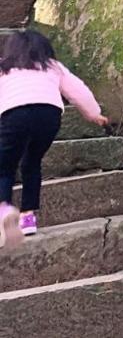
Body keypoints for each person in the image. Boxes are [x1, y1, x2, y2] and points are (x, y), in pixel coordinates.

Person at [0, 29, 108, 250]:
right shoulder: (52, 66)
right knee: (32, 163)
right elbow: (78, 90)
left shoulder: (4, 68)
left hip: (14, 116)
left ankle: (3, 210)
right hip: (49, 116)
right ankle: (28, 217)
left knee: (5, 167)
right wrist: (93, 113)